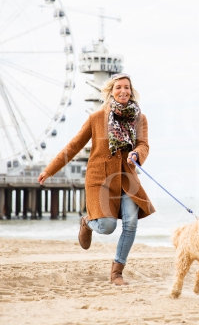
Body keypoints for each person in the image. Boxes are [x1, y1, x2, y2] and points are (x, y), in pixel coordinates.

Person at [38, 73, 155, 286]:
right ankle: (87, 223)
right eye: (119, 87)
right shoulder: (96, 118)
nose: (123, 91)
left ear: (131, 90)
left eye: (127, 87)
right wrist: (50, 169)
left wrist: (137, 154)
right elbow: (74, 145)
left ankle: (116, 273)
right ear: (111, 91)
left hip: (127, 177)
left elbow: (143, 144)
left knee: (130, 223)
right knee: (108, 226)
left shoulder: (139, 118)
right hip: (100, 178)